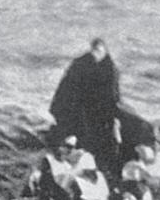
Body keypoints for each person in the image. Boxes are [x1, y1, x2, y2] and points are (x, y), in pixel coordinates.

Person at [50, 38, 122, 181]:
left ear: (105, 52)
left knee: (100, 143)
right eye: (94, 50)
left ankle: (99, 172)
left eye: (99, 51)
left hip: (100, 113)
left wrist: (113, 117)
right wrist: (59, 109)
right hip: (80, 109)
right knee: (78, 139)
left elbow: (113, 96)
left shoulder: (111, 69)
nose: (96, 54)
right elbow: (65, 88)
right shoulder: (80, 64)